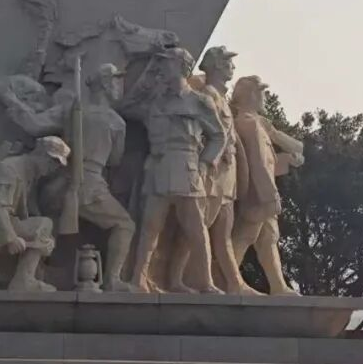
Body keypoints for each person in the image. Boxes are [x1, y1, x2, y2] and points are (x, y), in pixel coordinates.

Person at [0, 63, 137, 291]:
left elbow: (34, 124)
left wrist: (11, 101)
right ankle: (112, 279)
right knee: (125, 225)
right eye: (116, 80)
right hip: (90, 184)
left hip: (56, 184)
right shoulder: (116, 122)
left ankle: (28, 274)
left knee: (48, 227)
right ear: (105, 84)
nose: (120, 86)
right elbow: (114, 160)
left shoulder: (69, 110)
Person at [130, 47, 225, 293]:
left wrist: (204, 163)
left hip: (187, 166)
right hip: (159, 167)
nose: (162, 67)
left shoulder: (199, 101)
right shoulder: (155, 101)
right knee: (150, 227)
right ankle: (139, 279)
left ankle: (205, 281)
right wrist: (147, 77)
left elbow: (218, 136)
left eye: (167, 63)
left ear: (182, 66)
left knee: (196, 229)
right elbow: (125, 107)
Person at [168, 48, 263, 295]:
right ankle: (177, 278)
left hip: (226, 174)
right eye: (228, 63)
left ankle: (234, 283)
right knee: (195, 228)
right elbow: (203, 136)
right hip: (211, 173)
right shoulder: (208, 95)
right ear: (218, 65)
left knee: (223, 233)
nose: (233, 67)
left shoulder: (221, 97)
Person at [230, 76, 304, 296]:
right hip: (257, 192)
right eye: (260, 92)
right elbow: (258, 164)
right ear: (252, 95)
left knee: (268, 239)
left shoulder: (256, 123)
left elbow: (268, 162)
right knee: (245, 236)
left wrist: (286, 160)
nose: (263, 96)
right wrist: (269, 195)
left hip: (261, 189)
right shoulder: (249, 123)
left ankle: (278, 286)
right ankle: (228, 281)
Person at [0, 137, 70, 292]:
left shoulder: (29, 174)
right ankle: (23, 280)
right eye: (52, 161)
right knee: (45, 224)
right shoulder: (9, 169)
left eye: (57, 164)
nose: (54, 168)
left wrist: (47, 240)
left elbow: (29, 212)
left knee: (45, 227)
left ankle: (32, 275)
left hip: (8, 224)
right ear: (40, 153)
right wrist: (10, 238)